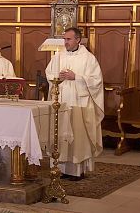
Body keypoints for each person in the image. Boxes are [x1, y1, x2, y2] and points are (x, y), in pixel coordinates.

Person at [45, 27, 104, 180]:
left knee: (78, 138)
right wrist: (57, 76)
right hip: (62, 102)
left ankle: (77, 171)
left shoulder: (88, 58)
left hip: (80, 103)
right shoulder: (58, 56)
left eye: (69, 39)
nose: (65, 42)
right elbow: (49, 73)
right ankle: (61, 169)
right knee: (61, 135)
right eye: (64, 39)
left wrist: (76, 77)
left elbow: (96, 81)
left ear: (78, 40)